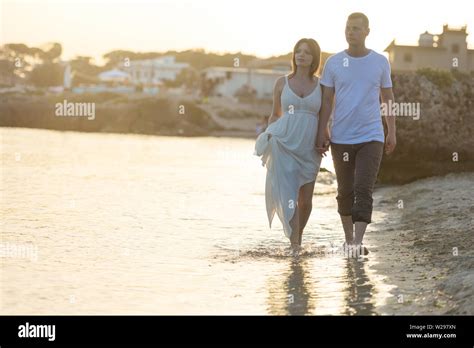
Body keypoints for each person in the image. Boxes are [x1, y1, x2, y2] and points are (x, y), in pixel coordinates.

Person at [315, 12, 397, 257]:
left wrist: (391, 131)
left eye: (356, 28)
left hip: (372, 136)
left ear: (367, 32)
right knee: (345, 191)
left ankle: (357, 242)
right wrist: (323, 130)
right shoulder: (333, 63)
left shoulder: (380, 61)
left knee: (363, 189)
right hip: (341, 138)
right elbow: (326, 100)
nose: (351, 32)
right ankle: (348, 239)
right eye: (348, 28)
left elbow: (388, 98)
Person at [255, 38, 327, 253]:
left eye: (306, 52)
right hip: (284, 143)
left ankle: (298, 237)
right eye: (298, 51)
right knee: (289, 196)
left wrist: (325, 136)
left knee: (305, 199)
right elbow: (275, 115)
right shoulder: (282, 82)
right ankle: (295, 246)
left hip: (309, 146)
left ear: (314, 57)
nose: (301, 55)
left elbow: (325, 115)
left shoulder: (322, 85)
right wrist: (269, 135)